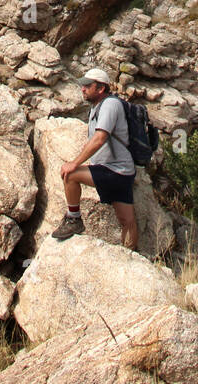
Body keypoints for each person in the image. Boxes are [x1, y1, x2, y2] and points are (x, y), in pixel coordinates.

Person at [51, 68, 138, 249]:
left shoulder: (109, 105)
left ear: (100, 89)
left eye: (87, 86)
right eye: (82, 85)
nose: (82, 89)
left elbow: (99, 139)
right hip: (122, 171)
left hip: (113, 170)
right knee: (127, 221)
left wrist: (74, 163)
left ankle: (74, 218)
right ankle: (131, 256)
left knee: (71, 175)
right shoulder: (98, 107)